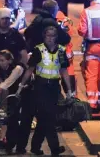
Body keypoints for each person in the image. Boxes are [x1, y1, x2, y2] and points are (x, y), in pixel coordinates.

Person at [16, 26, 72, 155]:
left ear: (56, 37)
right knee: (49, 119)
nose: (50, 38)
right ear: (44, 36)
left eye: (53, 36)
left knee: (45, 119)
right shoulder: (38, 50)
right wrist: (20, 86)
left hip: (54, 87)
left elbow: (64, 71)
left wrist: (69, 91)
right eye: (48, 36)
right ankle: (55, 148)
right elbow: (30, 70)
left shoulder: (61, 51)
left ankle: (35, 147)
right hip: (40, 87)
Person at [0, 50, 34, 155]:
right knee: (11, 120)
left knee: (24, 122)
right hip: (14, 95)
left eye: (3, 60)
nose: (0, 63)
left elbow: (7, 83)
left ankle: (20, 147)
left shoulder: (18, 68)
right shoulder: (0, 69)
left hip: (27, 95)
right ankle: (10, 143)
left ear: (10, 60)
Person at [78, 0, 100, 114]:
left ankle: (92, 105)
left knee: (91, 76)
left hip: (92, 49)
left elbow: (81, 31)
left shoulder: (86, 12)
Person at [46, 0, 77, 97]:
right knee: (69, 79)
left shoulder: (45, 20)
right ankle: (72, 100)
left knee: (50, 78)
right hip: (65, 54)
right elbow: (70, 35)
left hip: (51, 55)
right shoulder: (65, 20)